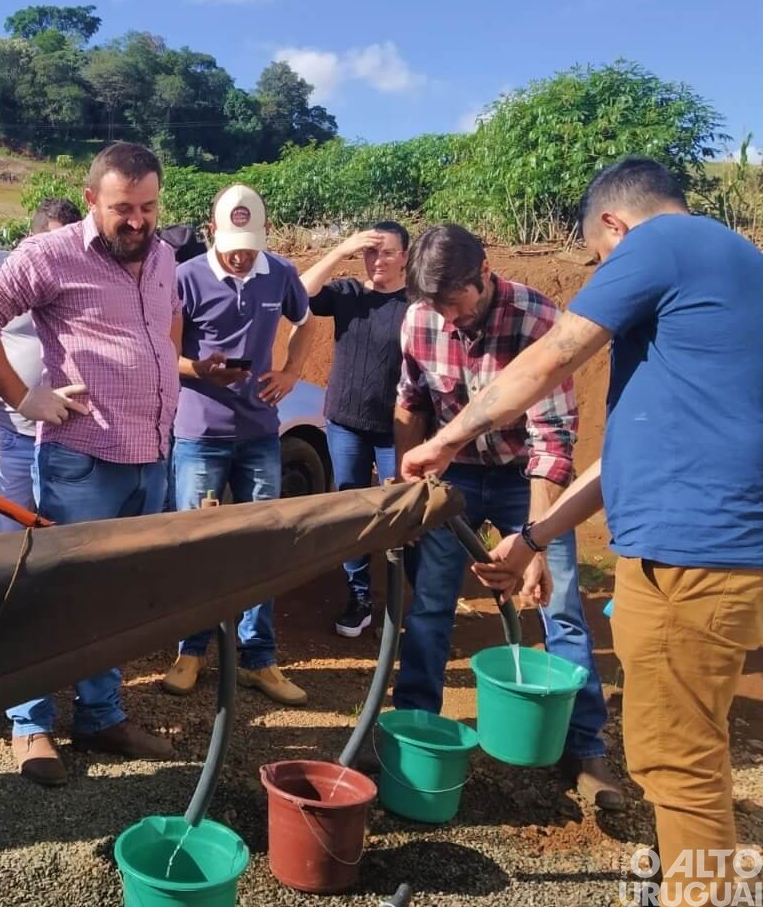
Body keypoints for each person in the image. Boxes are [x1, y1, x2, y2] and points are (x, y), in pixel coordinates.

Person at [403, 158, 763, 906]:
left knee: (679, 763)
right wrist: (535, 537)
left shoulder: (660, 245)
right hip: (705, 551)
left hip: (688, 556)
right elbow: (626, 455)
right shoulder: (727, 268)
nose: (609, 272)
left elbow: (555, 359)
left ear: (613, 227)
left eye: (603, 261)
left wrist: (448, 439)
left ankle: (704, 894)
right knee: (688, 750)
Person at [0, 142, 179, 788]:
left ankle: (101, 716)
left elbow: (168, 326)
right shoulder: (50, 255)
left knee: (112, 600)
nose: (137, 221)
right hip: (84, 461)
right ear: (90, 202)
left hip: (150, 459)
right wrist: (24, 397)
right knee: (53, 596)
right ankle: (30, 725)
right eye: (122, 209)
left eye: (148, 207)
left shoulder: (162, 255)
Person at [392, 223, 621, 808]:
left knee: (561, 606)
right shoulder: (419, 320)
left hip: (528, 477)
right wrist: (405, 483)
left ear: (484, 275)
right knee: (430, 606)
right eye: (432, 305)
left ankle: (583, 745)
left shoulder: (537, 318)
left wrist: (536, 544)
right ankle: (413, 725)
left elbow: (553, 441)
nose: (444, 317)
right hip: (458, 476)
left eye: (453, 302)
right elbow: (412, 402)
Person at [160, 184, 315, 706]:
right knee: (197, 546)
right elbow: (166, 349)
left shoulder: (281, 274)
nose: (242, 255)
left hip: (259, 433)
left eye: (250, 244)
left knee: (262, 543)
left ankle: (259, 659)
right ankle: (192, 649)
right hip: (199, 433)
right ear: (212, 234)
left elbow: (305, 320)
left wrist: (292, 370)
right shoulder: (186, 277)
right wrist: (198, 370)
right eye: (233, 245)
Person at [299, 222, 411, 637]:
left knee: (401, 510)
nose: (376, 260)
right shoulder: (347, 295)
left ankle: (401, 598)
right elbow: (301, 292)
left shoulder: (416, 305)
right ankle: (359, 595)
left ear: (405, 257)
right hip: (345, 423)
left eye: (386, 252)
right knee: (350, 507)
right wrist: (340, 248)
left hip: (395, 428)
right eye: (369, 252)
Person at [0, 198, 82, 534]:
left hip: (71, 441)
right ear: (29, 243)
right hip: (13, 442)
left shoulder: (81, 289)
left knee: (67, 545)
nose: (59, 257)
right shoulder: (5, 290)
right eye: (51, 245)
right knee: (5, 546)